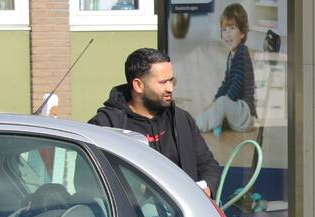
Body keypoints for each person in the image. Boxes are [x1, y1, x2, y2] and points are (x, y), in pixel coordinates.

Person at [90, 48, 219, 196]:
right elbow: (89, 181)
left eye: (171, 80)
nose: (170, 88)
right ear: (138, 85)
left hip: (186, 209)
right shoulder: (106, 125)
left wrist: (207, 189)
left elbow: (208, 165)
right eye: (163, 82)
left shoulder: (181, 119)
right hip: (132, 210)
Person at [195, 3, 257, 135]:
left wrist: (222, 102)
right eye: (224, 29)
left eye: (232, 28)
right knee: (217, 103)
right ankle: (202, 121)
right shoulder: (232, 55)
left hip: (245, 113)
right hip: (237, 110)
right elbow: (227, 82)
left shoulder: (242, 53)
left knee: (222, 102)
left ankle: (196, 125)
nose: (227, 34)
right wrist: (215, 100)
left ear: (242, 33)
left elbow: (237, 83)